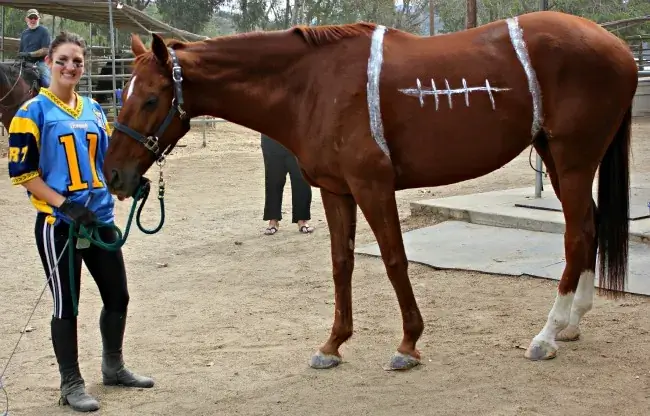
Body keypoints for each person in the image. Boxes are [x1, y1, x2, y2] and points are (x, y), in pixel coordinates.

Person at [6, 31, 153, 413]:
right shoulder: (31, 113)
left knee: (117, 296)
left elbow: (104, 163)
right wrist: (64, 206)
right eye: (63, 60)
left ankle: (113, 366)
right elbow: (23, 173)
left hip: (99, 217)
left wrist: (130, 185)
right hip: (60, 225)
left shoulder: (93, 110)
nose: (71, 66)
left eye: (77, 61)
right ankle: (70, 382)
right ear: (49, 63)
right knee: (65, 304)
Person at [261, 133, 314, 235]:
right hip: (272, 137)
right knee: (273, 179)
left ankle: (302, 219)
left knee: (301, 179)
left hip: (297, 138)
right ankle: (273, 220)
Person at [17, 9, 51, 87]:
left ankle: (50, 97)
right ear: (26, 19)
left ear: (38, 19)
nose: (33, 20)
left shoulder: (44, 31)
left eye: (35, 18)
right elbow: (21, 50)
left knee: (46, 83)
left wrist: (29, 54)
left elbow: (45, 50)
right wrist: (20, 55)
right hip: (25, 63)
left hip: (40, 63)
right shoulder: (24, 33)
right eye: (31, 17)